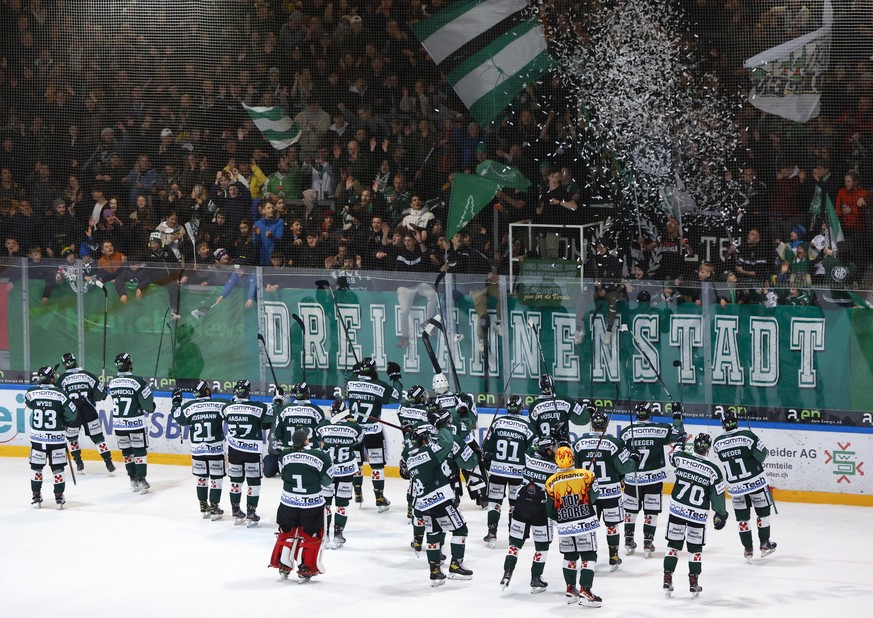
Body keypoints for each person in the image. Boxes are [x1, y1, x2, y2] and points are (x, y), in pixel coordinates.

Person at [404, 422, 474, 586]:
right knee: (461, 529)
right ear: (424, 440)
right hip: (440, 499)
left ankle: (434, 571)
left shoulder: (409, 458)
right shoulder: (428, 452)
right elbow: (448, 444)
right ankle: (456, 566)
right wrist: (442, 427)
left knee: (434, 535)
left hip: (423, 504)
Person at [573, 407, 640, 571]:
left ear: (592, 424)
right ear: (607, 424)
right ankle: (613, 555)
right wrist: (634, 458)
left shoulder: (579, 444)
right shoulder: (613, 443)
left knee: (589, 526)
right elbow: (625, 468)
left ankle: (589, 556)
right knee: (612, 525)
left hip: (588, 494)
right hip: (611, 493)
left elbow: (574, 468)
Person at [663, 433, 729, 598]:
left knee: (673, 545)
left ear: (695, 445)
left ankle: (667, 577)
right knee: (695, 549)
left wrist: (680, 443)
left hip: (677, 509)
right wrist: (721, 514)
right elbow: (717, 496)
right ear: (708, 449)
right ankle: (693, 582)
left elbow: (674, 456)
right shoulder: (714, 470)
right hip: (697, 514)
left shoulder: (681, 457)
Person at [619, 402, 685, 557]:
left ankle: (629, 539)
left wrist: (620, 475)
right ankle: (648, 541)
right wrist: (677, 415)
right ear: (650, 413)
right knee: (651, 511)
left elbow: (620, 454)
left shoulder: (626, 431)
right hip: (653, 479)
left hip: (632, 478)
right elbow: (677, 433)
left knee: (630, 510)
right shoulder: (660, 428)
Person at [712, 409, 778, 562]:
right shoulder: (747, 436)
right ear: (736, 420)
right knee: (763, 514)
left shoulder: (717, 442)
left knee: (742, 520)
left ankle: (748, 549)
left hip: (736, 488)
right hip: (756, 484)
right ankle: (764, 544)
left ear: (722, 423)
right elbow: (762, 456)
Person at [269, 429, 332, 582]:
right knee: (311, 535)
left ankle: (283, 564)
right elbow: (327, 481)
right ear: (306, 441)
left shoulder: (284, 455)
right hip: (312, 503)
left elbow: (283, 474)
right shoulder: (320, 456)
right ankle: (305, 567)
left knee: (286, 532)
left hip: (288, 502)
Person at [499, 436, 558, 594]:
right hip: (540, 509)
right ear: (547, 450)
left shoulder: (529, 456)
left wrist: (543, 442)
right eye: (553, 448)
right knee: (542, 546)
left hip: (521, 505)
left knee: (515, 544)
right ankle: (536, 578)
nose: (555, 450)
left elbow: (532, 447)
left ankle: (507, 572)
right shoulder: (555, 467)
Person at [544, 445, 602, 607]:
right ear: (573, 458)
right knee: (589, 556)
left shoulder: (550, 482)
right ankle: (585, 590)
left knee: (569, 557)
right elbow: (594, 497)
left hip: (564, 525)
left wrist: (560, 519)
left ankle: (571, 589)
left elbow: (550, 509)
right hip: (585, 523)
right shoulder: (587, 475)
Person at [346, 357, 401, 511]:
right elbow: (396, 396)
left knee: (356, 462)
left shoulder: (350, 382)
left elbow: (350, 389)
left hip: (355, 430)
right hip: (373, 431)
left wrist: (355, 374)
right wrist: (395, 377)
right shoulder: (380, 385)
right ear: (374, 370)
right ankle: (379, 498)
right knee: (377, 466)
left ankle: (357, 493)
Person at [482, 394, 534, 548]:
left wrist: (487, 460)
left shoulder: (498, 422)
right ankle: (514, 534)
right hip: (518, 472)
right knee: (515, 504)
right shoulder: (527, 426)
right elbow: (532, 450)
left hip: (497, 470)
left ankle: (492, 532)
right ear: (520, 408)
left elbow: (487, 447)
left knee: (494, 503)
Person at [221, 379, 275, 527]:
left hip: (234, 452)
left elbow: (225, 413)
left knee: (235, 482)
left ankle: (235, 510)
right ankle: (251, 512)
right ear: (248, 392)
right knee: (254, 482)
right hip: (252, 451)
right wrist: (277, 401)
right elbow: (269, 419)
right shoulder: (257, 407)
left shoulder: (227, 407)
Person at [25, 365, 79, 509]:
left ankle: (36, 495)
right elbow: (72, 414)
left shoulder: (31, 393)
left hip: (38, 439)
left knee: (36, 469)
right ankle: (59, 496)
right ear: (51, 378)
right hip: (57, 439)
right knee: (58, 469)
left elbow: (30, 404)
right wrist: (63, 418)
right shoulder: (61, 394)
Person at [172, 380, 227, 520]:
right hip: (215, 449)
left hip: (197, 450)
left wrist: (176, 401)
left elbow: (179, 417)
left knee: (201, 479)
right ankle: (214, 507)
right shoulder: (219, 404)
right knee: (216, 479)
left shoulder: (189, 406)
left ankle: (203, 506)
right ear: (207, 391)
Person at [315, 399, 364, 548]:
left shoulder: (323, 426)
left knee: (326, 503)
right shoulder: (355, 427)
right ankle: (338, 533)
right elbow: (358, 441)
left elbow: (319, 435)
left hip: (328, 471)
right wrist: (350, 420)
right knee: (342, 504)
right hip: (346, 471)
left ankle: (325, 534)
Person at [58, 352, 116, 474]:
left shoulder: (62, 379)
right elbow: (101, 395)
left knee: (72, 439)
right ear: (75, 361)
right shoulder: (87, 375)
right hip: (89, 410)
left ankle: (79, 463)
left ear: (64, 365)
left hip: (72, 413)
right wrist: (103, 391)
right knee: (98, 439)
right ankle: (108, 462)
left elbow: (58, 397)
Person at [108, 352, 156, 493]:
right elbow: (148, 406)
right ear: (130, 364)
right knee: (139, 450)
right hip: (135, 423)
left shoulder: (112, 382)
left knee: (127, 452)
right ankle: (141, 478)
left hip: (119, 424)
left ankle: (133, 479)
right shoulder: (138, 381)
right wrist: (151, 405)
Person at [527, 374, 592, 443]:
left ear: (540, 387)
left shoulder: (534, 406)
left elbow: (529, 431)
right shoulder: (564, 400)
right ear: (553, 384)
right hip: (562, 447)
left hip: (544, 449)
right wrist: (589, 411)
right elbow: (582, 419)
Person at [274, 382, 325, 447]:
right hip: (311, 454)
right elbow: (323, 435)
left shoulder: (285, 410)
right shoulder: (316, 411)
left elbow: (278, 434)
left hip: (289, 452)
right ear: (308, 392)